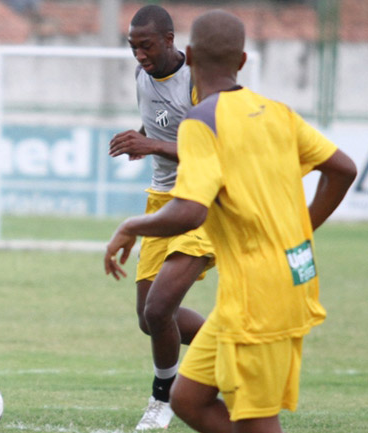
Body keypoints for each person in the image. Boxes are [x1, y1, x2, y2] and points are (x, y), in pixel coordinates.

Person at [105, 10, 356, 433]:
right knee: (189, 400)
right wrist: (299, 231)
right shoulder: (277, 112)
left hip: (262, 293)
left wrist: (129, 227)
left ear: (187, 53)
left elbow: (191, 211)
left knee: (256, 420)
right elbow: (344, 169)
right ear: (242, 61)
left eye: (146, 45)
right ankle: (162, 395)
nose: (140, 54)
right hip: (257, 288)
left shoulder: (204, 122)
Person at [108, 5, 214, 430]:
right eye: (133, 47)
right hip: (161, 201)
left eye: (146, 46)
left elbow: (214, 150)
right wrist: (143, 139)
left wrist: (152, 146)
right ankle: (231, 351)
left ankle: (162, 398)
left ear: (170, 40)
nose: (139, 55)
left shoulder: (197, 82)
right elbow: (159, 128)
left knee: (160, 307)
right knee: (149, 319)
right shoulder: (141, 77)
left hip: (203, 203)